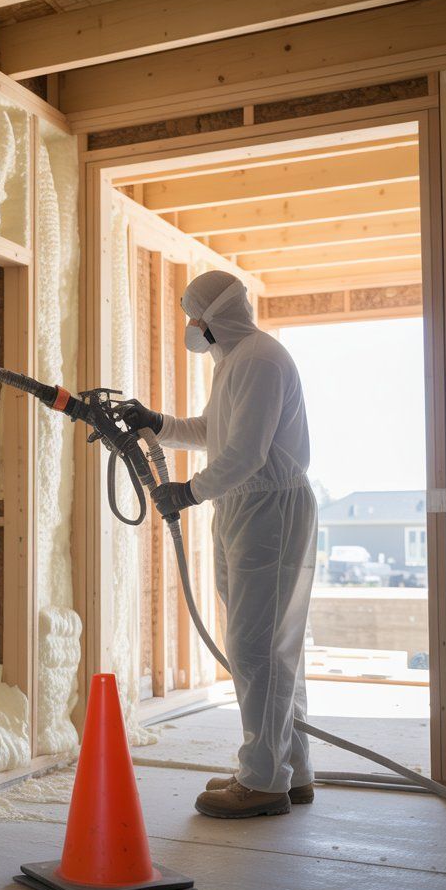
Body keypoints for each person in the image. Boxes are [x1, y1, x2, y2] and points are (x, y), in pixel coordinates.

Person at [133, 270, 318, 819]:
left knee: (256, 646)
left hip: (268, 508)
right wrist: (157, 423)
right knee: (269, 646)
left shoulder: (260, 359)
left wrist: (185, 493)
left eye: (194, 317)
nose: (191, 327)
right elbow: (215, 432)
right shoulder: (237, 360)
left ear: (214, 317)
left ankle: (262, 781)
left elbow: (247, 455)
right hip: (245, 507)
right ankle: (289, 771)